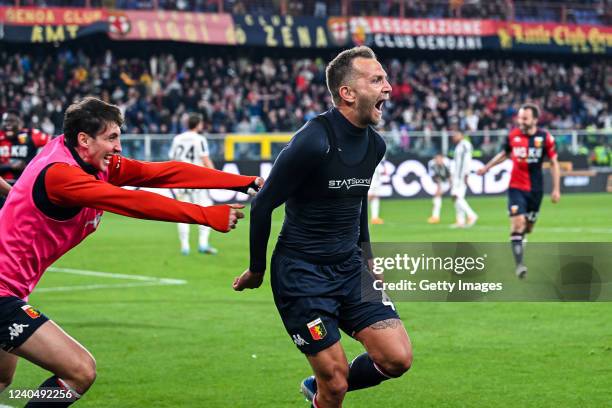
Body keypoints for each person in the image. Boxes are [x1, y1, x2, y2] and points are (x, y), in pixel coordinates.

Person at [0, 97, 262, 407]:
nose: (119, 147)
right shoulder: (62, 175)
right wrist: (207, 214)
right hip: (3, 292)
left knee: (3, 379)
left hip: (15, 289)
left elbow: (163, 174)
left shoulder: (87, 159)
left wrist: (244, 182)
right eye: (111, 138)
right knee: (79, 371)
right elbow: (132, 202)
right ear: (84, 139)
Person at [233, 47, 412, 408]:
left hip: (348, 268)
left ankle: (317, 388)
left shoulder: (375, 145)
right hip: (302, 276)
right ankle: (325, 391)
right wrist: (257, 268)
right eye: (377, 80)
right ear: (347, 93)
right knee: (336, 383)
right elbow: (264, 204)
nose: (388, 88)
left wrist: (367, 256)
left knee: (397, 358)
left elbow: (357, 199)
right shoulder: (313, 141)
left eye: (386, 79)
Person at [477, 103, 560, 278]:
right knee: (517, 224)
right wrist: (487, 167)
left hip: (536, 190)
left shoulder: (545, 138)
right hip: (516, 187)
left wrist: (556, 189)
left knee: (528, 228)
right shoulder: (513, 135)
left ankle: (521, 241)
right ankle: (519, 265)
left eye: (525, 118)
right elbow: (505, 154)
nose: (520, 121)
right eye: (519, 117)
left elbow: (554, 163)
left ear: (535, 120)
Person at [169, 113, 218, 255]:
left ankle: (185, 246)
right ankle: (203, 244)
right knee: (206, 210)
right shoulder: (200, 139)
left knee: (183, 214)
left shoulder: (177, 138)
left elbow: (172, 159)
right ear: (198, 125)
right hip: (196, 180)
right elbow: (205, 158)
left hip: (180, 180)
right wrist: (217, 176)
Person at [0, 110, 51, 208]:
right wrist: (10, 166)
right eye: (5, 121)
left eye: (12, 121)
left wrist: (32, 165)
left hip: (25, 186)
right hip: (3, 186)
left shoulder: (31, 135)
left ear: (20, 123)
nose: (8, 125)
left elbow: (55, 142)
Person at [450, 131, 478, 228]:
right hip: (457, 175)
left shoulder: (465, 145)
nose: (454, 137)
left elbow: (468, 160)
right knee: (456, 197)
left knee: (456, 196)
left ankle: (472, 215)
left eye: (456, 135)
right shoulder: (458, 146)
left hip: (461, 176)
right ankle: (460, 220)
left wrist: (466, 174)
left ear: (461, 135)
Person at [427, 153, 451, 224]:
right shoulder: (432, 164)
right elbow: (434, 176)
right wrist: (439, 185)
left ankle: (435, 217)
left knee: (457, 199)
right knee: (437, 196)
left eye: (440, 158)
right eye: (436, 159)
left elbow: (450, 176)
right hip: (441, 182)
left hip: (449, 182)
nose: (438, 160)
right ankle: (435, 217)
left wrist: (452, 185)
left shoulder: (447, 163)